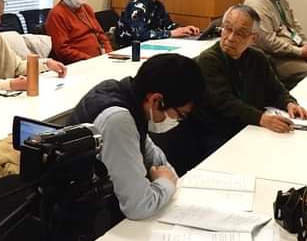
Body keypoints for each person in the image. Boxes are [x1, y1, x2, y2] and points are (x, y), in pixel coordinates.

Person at [69, 53, 205, 221]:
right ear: (156, 100)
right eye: (180, 115)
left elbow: (155, 159)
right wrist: (166, 183)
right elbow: (139, 207)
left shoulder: (129, 98)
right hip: (84, 217)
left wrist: (167, 177)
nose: (177, 121)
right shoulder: (118, 121)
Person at [184, 5, 307, 162]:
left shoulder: (258, 58)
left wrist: (289, 103)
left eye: (240, 33)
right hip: (220, 133)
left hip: (249, 126)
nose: (230, 38)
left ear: (253, 38)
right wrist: (261, 118)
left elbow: (275, 89)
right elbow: (225, 102)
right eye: (227, 29)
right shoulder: (209, 60)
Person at [45, 0, 113, 63]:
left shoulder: (87, 8)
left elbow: (101, 35)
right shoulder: (56, 14)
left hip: (100, 60)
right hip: (81, 63)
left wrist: (109, 54)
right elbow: (63, 50)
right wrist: (90, 60)